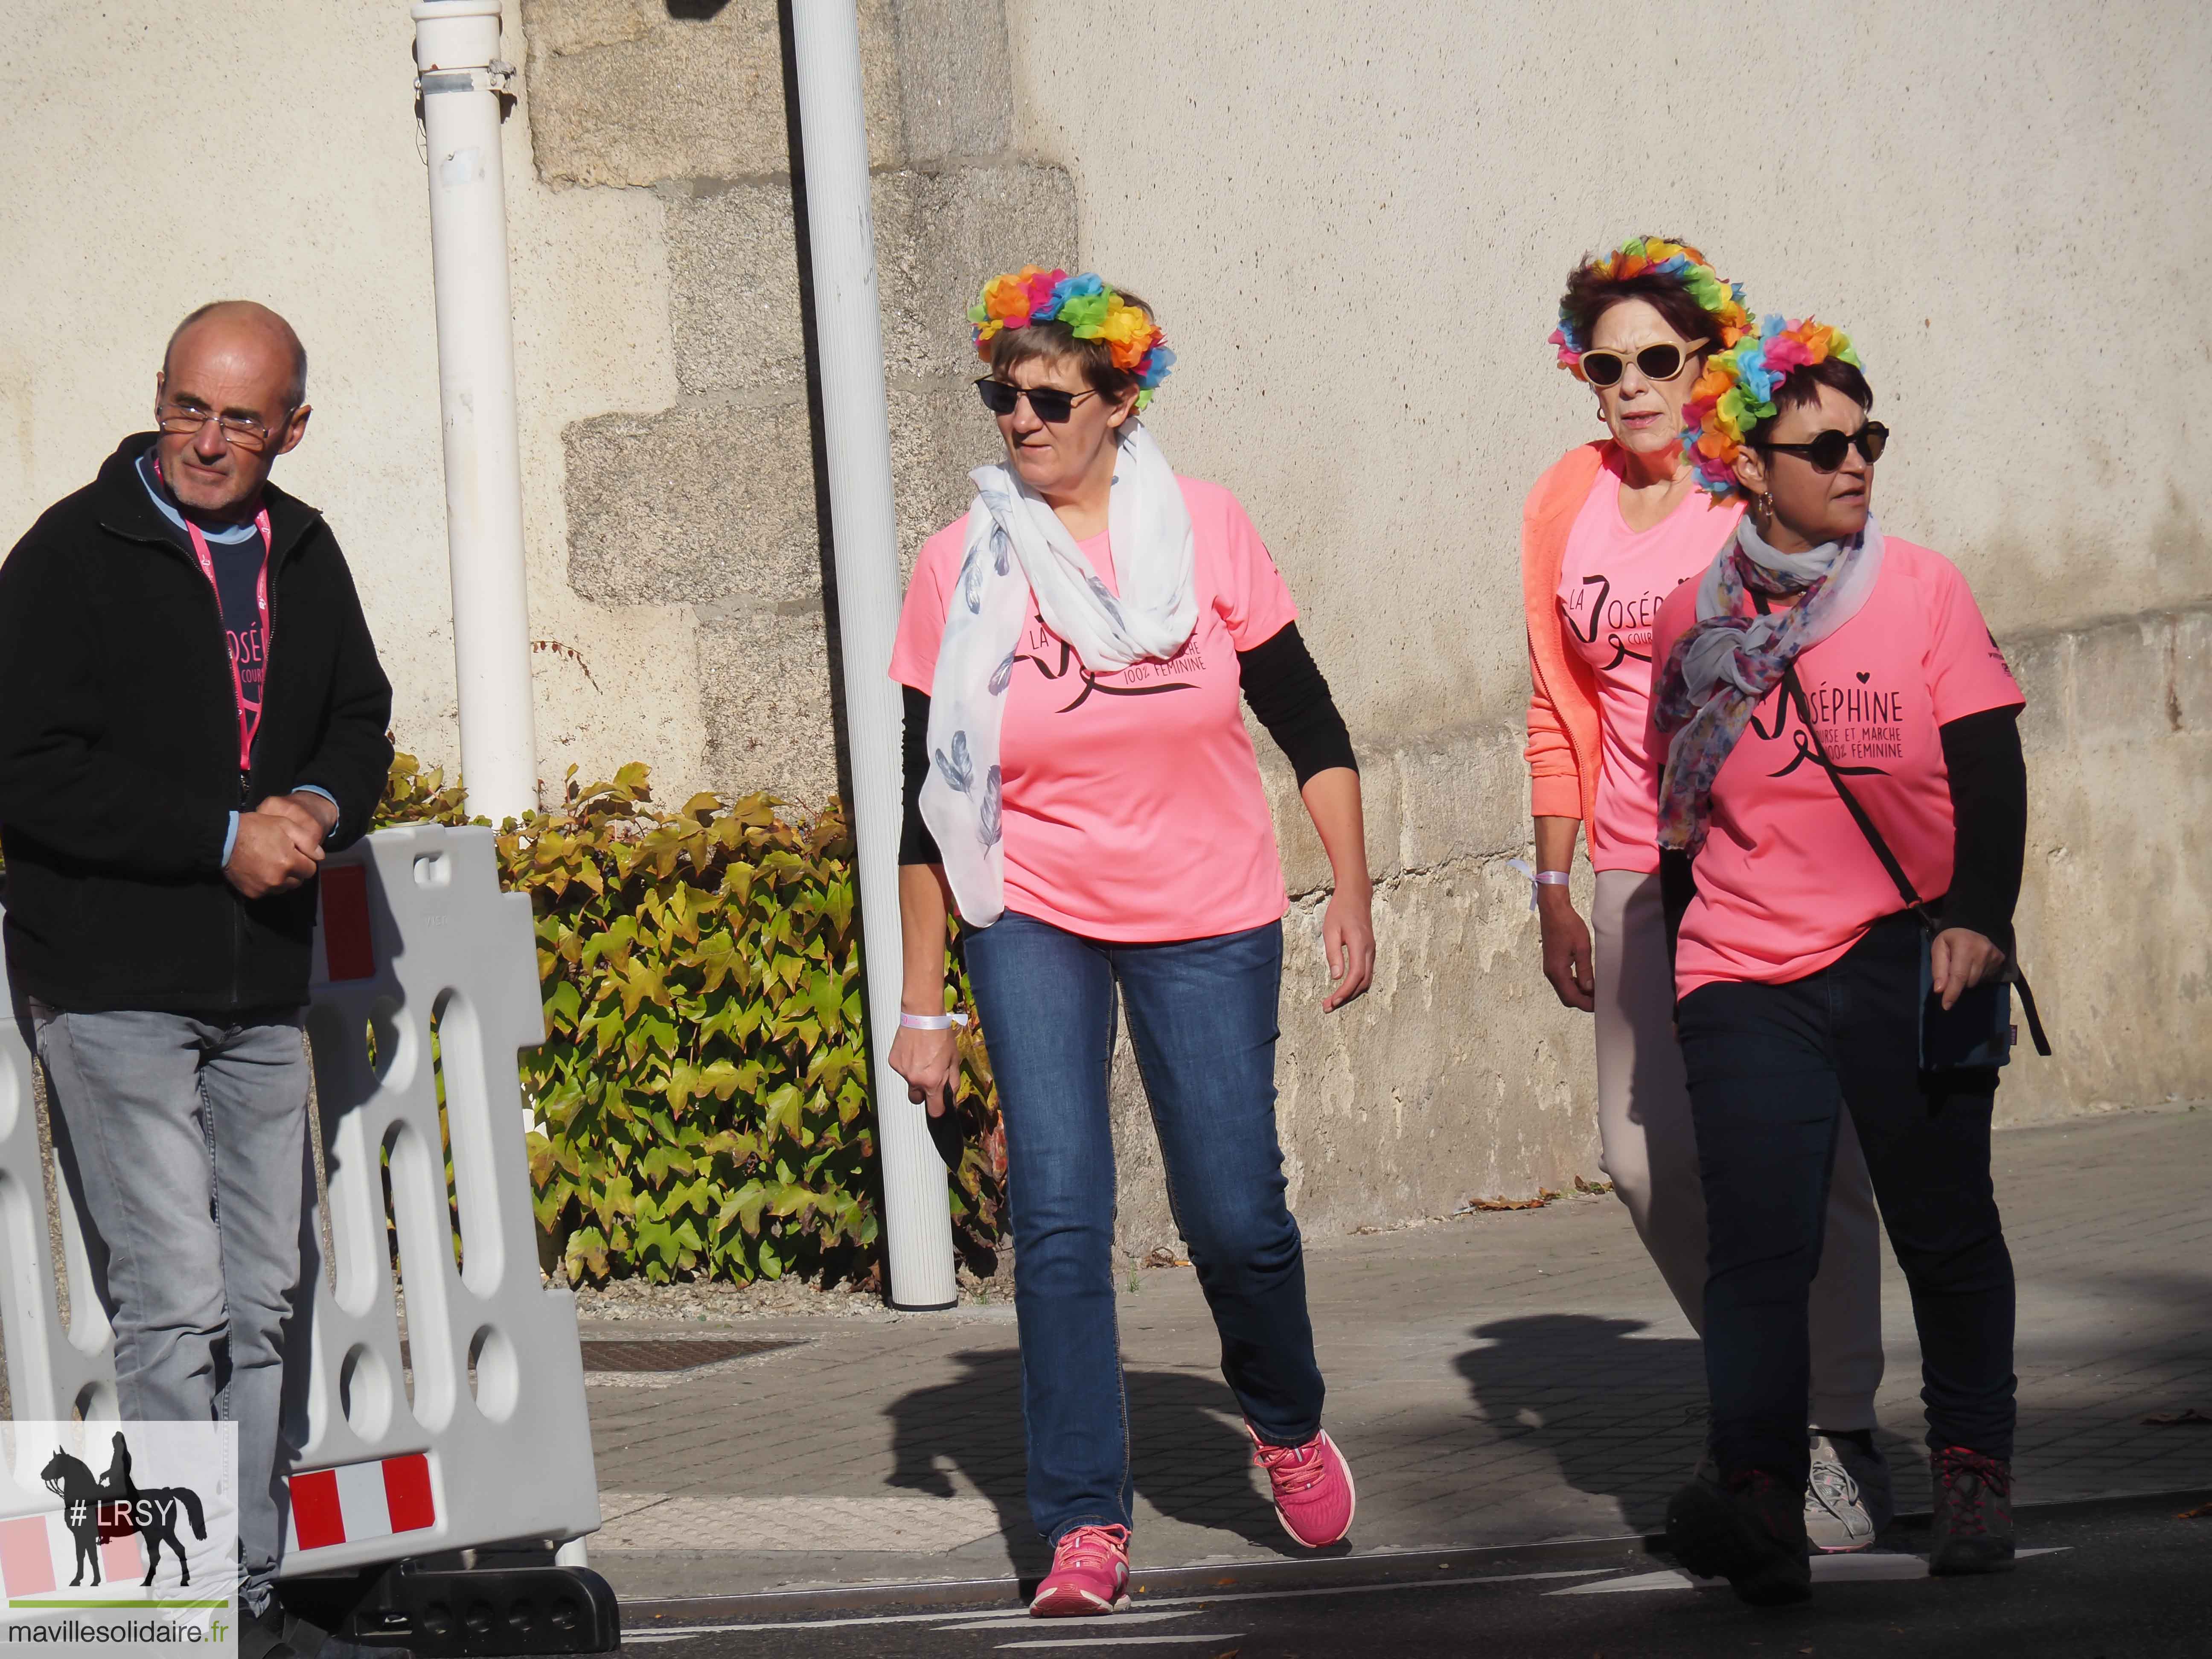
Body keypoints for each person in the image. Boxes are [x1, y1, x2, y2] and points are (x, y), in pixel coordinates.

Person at [887, 268, 1372, 1618]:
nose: (1020, 420)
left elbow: (1310, 723)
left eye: (1049, 398)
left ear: (1118, 403)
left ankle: (1280, 1417)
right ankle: (1082, 1523)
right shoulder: (958, 563)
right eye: (1001, 396)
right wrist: (923, 1004)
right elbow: (921, 804)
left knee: (1234, 1213)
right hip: (1030, 910)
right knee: (1057, 1214)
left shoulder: (1207, 533)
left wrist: (1353, 891)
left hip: (1208, 910)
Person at [0, 302, 393, 1650]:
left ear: (291, 428)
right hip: (111, 979)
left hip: (260, 986)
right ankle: (182, 1618)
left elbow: (360, 717)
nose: (207, 442)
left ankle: (252, 1593)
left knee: (266, 1296)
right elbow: (28, 766)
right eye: (186, 409)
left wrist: (319, 811)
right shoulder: (70, 552)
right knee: (173, 1301)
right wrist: (220, 836)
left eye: (239, 419)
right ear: (157, 401)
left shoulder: (304, 545)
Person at [1520, 238, 1890, 1547]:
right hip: (1630, 862)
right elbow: (1556, 706)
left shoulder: (1749, 488)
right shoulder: (1563, 500)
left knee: (1811, 1154)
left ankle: (1836, 1430)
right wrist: (1552, 882)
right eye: (1604, 363)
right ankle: (1773, 1395)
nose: (1630, 385)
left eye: (1657, 360)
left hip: (1762, 858)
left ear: (1704, 363)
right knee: (1640, 1157)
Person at [1652, 316, 2028, 1602]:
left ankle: (1973, 1465)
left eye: (1869, 436)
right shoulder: (1685, 618)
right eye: (1826, 444)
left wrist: (1980, 914)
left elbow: (1988, 765)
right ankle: (1756, 1495)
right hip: (1745, 970)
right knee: (1759, 1243)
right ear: (1752, 465)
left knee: (1943, 1226)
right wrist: (1693, 956)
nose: (1857, 460)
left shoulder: (1922, 587)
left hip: (1907, 954)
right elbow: (1678, 812)